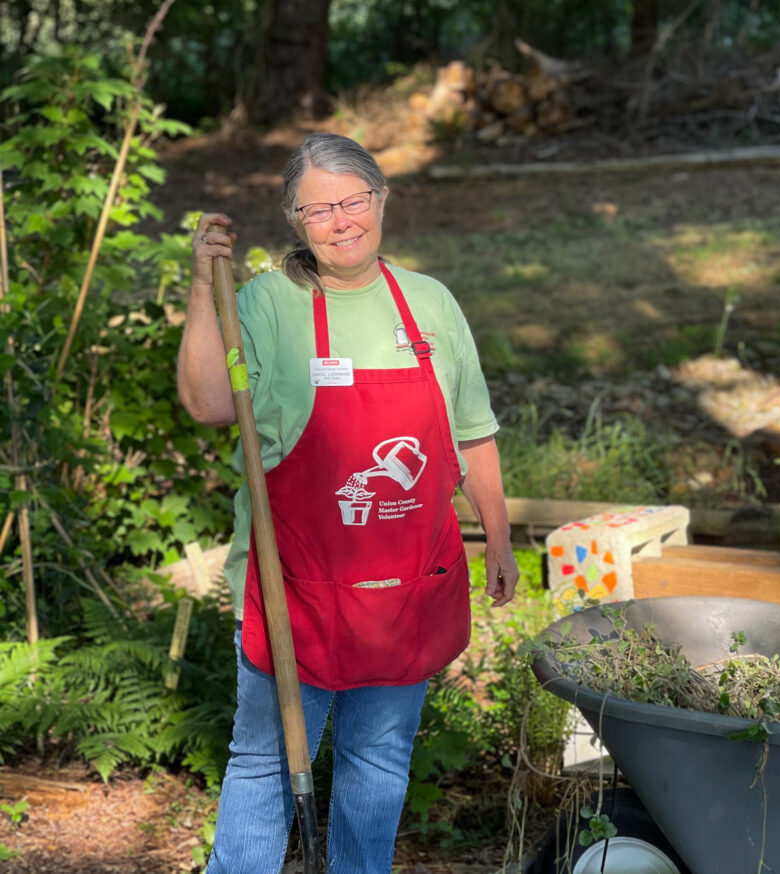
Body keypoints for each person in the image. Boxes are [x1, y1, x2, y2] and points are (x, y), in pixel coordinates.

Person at [177, 132, 518, 874]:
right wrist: (206, 287)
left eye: (352, 200)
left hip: (405, 583)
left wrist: (498, 537)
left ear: (381, 199)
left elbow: (473, 431)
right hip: (290, 583)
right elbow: (206, 402)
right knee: (265, 761)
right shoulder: (267, 302)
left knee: (379, 758)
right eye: (318, 209)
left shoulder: (430, 303)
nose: (340, 221)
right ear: (297, 223)